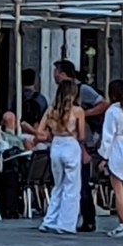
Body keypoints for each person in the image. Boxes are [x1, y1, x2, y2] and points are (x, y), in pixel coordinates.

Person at [53, 60, 107, 232]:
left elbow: (103, 103)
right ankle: (67, 217)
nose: (55, 76)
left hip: (81, 140)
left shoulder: (82, 89)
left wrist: (84, 115)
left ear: (63, 74)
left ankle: (88, 218)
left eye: (56, 72)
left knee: (81, 182)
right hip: (68, 141)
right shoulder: (62, 92)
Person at [36, 79, 86, 234]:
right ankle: (66, 224)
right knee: (72, 186)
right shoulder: (78, 111)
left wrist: (52, 134)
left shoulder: (51, 110)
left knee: (58, 185)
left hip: (56, 144)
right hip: (71, 144)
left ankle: (49, 220)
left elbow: (40, 131)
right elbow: (82, 136)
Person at [99, 80, 123, 238]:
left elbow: (108, 136)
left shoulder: (112, 111)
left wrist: (104, 157)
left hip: (117, 148)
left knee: (118, 191)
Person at [19, 69, 48, 134]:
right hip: (38, 132)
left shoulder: (17, 98)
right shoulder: (41, 99)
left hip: (20, 131)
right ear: (35, 81)